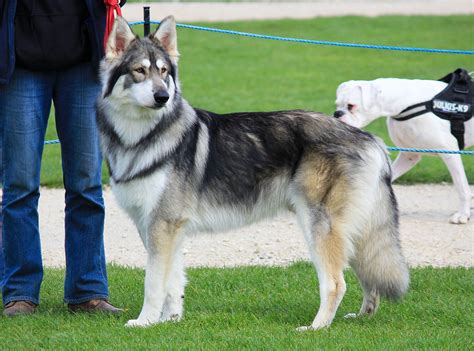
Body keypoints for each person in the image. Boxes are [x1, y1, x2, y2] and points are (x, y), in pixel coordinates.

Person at [0, 0, 125, 316]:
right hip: (19, 63)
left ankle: (88, 291)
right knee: (20, 186)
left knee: (87, 184)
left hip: (83, 61)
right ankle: (20, 292)